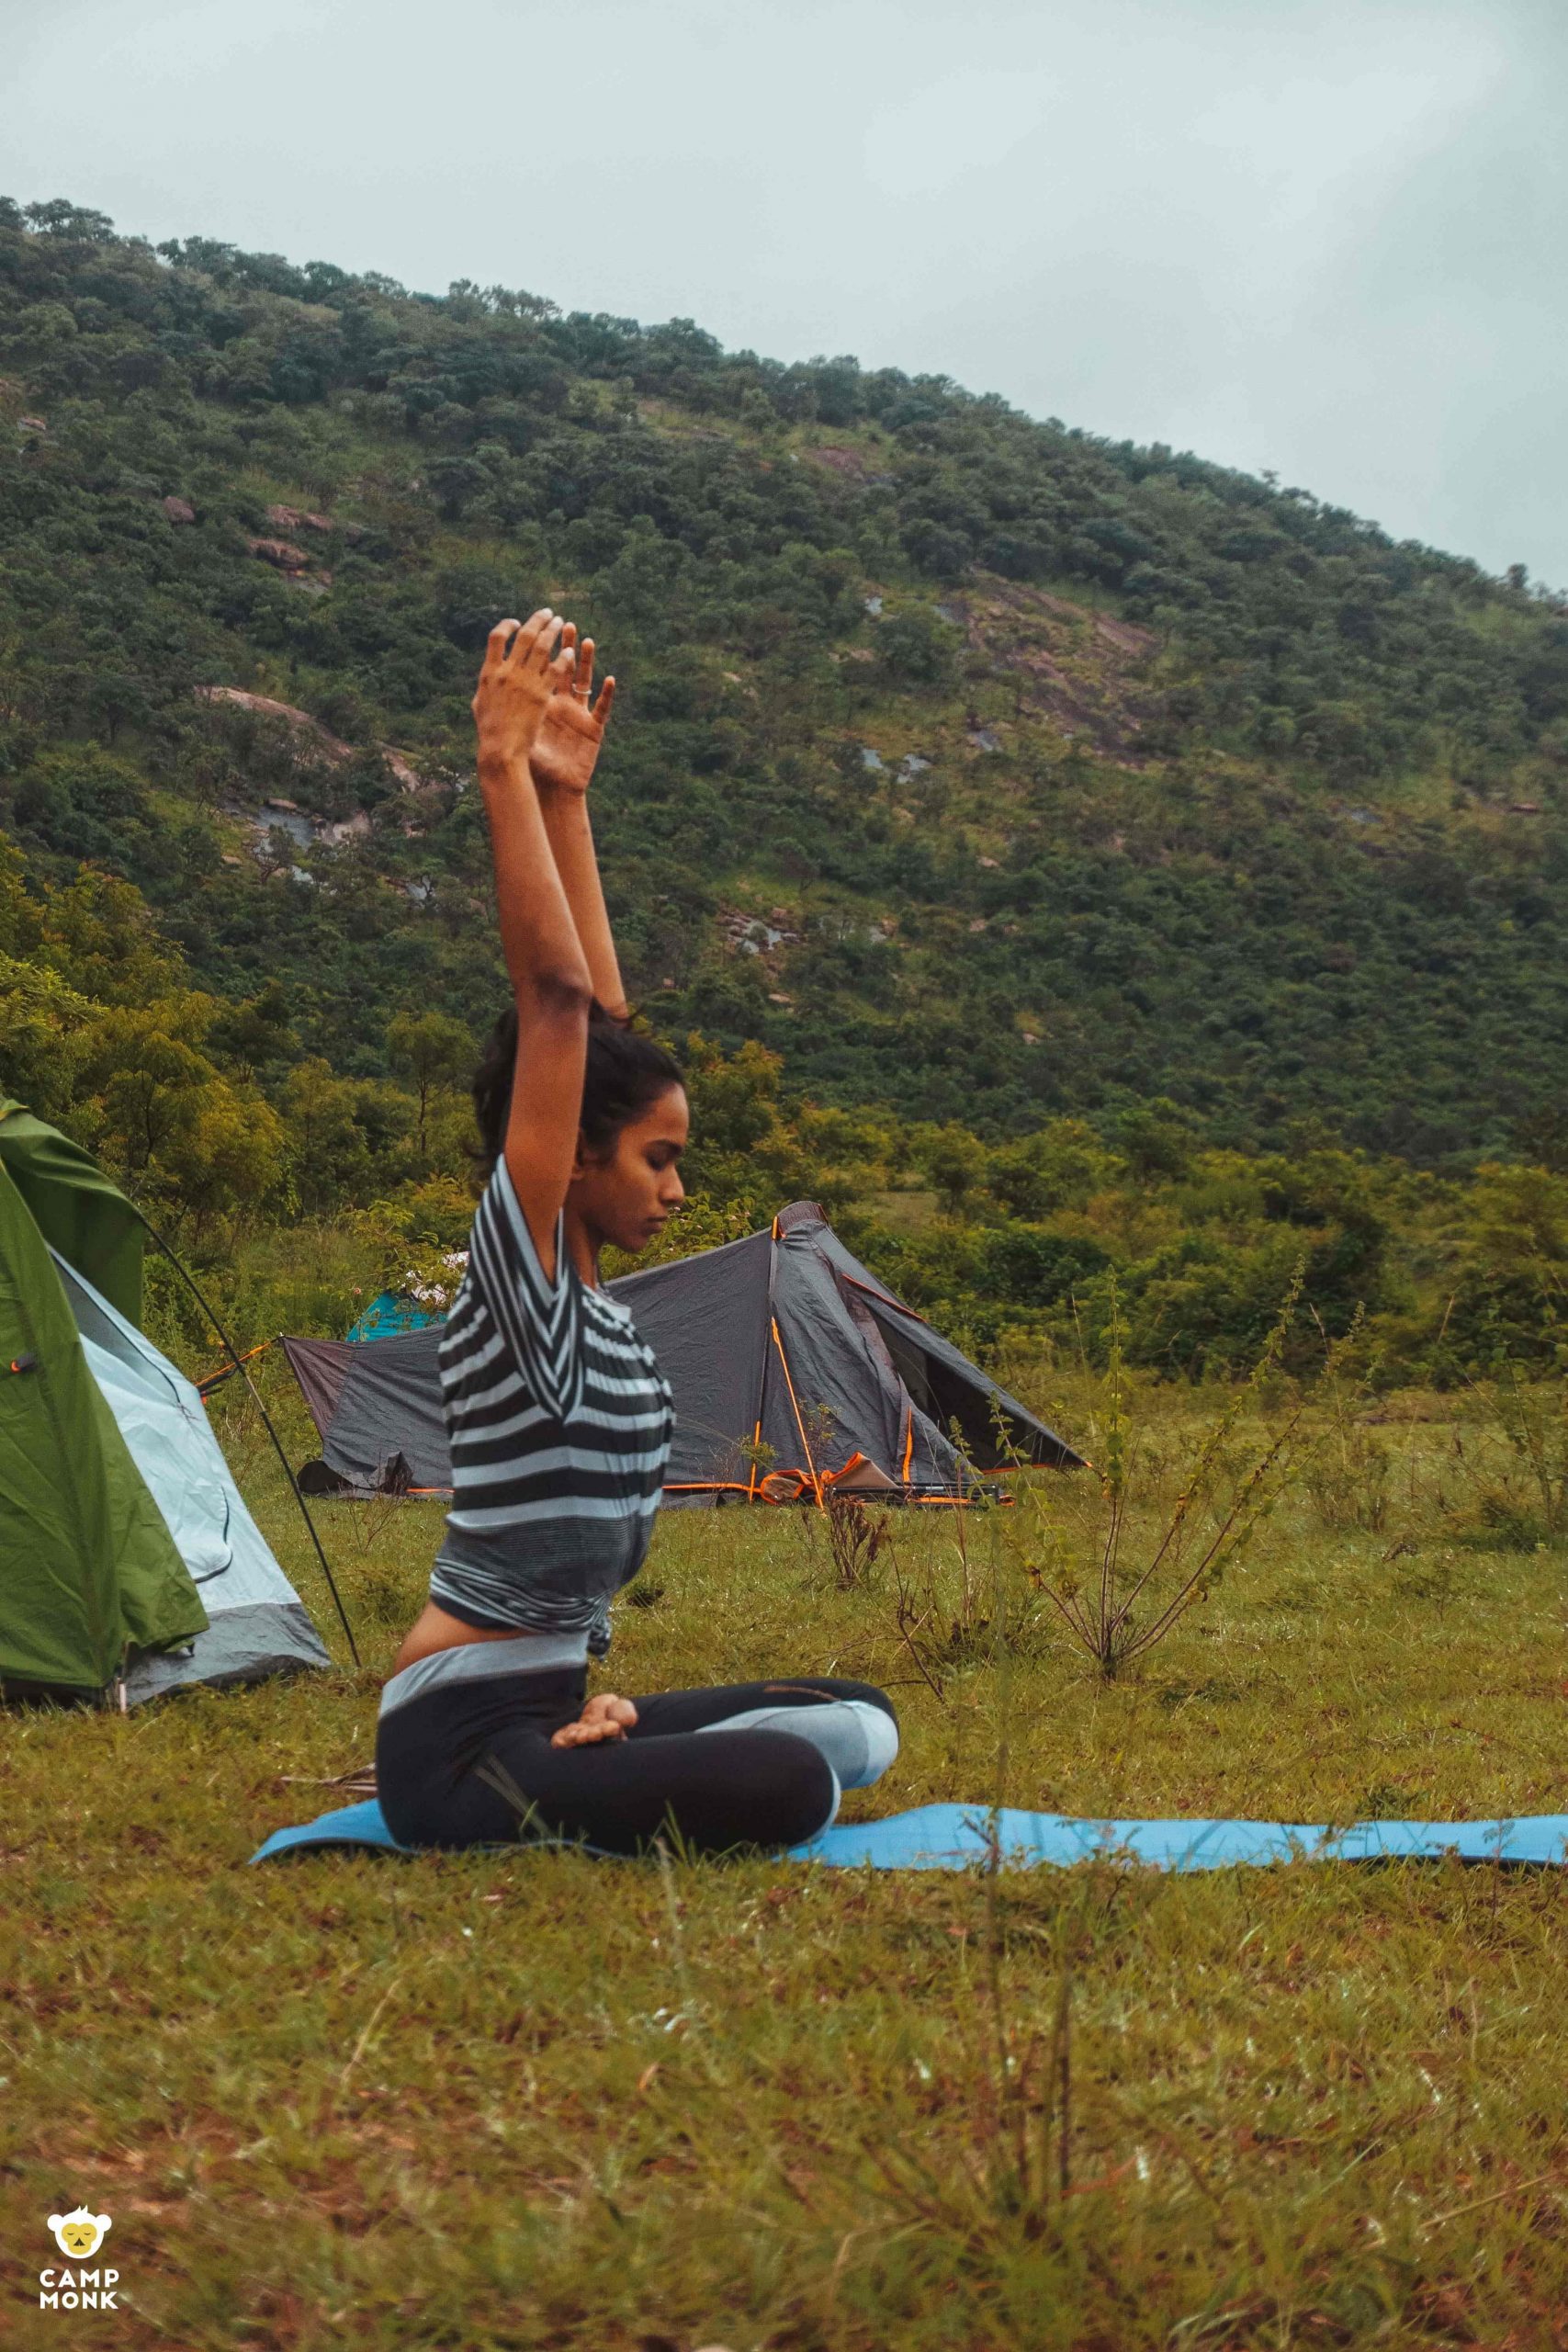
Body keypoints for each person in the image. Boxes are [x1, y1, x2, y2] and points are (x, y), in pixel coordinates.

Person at [376, 610, 897, 1855]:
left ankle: (601, 1744)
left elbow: (600, 1027)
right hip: (454, 1748)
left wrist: (567, 795)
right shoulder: (524, 1288)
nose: (675, 1188)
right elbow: (558, 1006)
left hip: (547, 1708)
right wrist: (501, 768)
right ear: (576, 1153)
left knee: (859, 1728)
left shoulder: (592, 1304)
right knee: (791, 1787)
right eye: (658, 1158)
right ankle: (590, 1764)